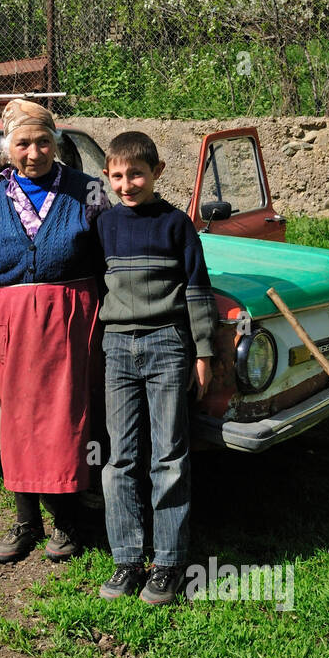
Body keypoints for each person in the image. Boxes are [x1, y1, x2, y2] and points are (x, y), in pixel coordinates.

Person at [0, 99, 110, 564]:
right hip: (12, 320)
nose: (35, 152)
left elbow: (110, 259)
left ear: (57, 143)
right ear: (8, 148)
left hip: (72, 317)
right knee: (18, 422)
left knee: (67, 422)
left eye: (44, 142)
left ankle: (69, 525)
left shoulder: (87, 191)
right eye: (24, 143)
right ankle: (26, 522)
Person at [94, 132, 218, 605]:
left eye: (137, 174)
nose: (128, 184)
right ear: (108, 177)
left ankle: (167, 562)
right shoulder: (104, 226)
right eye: (119, 176)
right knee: (120, 458)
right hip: (118, 348)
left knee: (169, 456)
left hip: (168, 345)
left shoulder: (176, 226)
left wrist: (203, 352)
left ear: (158, 172)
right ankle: (127, 559)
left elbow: (197, 291)